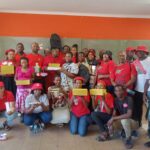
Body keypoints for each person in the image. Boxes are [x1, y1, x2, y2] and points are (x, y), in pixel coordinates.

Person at [107, 85, 138, 149]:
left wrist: (113, 118)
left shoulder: (129, 99)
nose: (118, 92)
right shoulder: (115, 100)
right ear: (114, 92)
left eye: (120, 90)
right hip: (123, 121)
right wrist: (111, 123)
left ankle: (129, 139)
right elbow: (114, 114)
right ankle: (119, 131)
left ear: (123, 91)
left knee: (124, 120)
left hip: (134, 122)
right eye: (116, 91)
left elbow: (128, 115)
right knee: (111, 121)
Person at [133, 45, 150, 127]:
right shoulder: (135, 62)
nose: (138, 53)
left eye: (140, 51)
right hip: (138, 89)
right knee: (137, 108)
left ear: (145, 52)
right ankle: (138, 123)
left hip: (149, 90)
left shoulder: (149, 60)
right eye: (137, 52)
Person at [15, 57, 34, 122]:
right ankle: (22, 114)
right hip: (20, 89)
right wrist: (16, 81)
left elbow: (33, 78)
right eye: (22, 62)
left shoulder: (31, 69)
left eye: (25, 62)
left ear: (27, 62)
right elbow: (15, 78)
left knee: (28, 101)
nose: (23, 63)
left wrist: (30, 80)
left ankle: (28, 113)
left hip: (29, 88)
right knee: (21, 102)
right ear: (20, 63)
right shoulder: (18, 69)